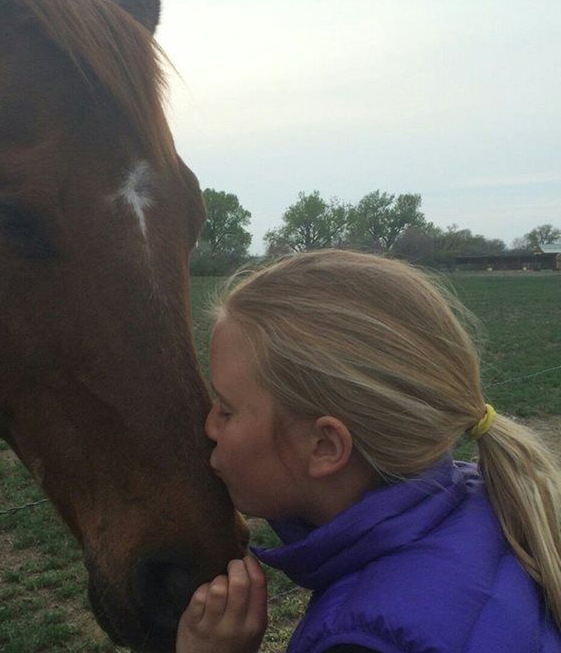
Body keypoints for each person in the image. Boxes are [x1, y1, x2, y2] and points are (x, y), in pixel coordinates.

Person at [176, 250, 561, 653]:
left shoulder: (367, 641)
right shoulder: (481, 504)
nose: (209, 426)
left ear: (324, 447)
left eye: (227, 409)